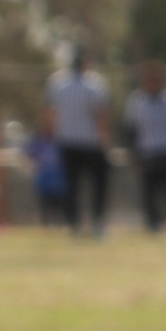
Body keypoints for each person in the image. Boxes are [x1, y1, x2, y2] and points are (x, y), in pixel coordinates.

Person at [45, 47, 111, 235]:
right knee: (98, 183)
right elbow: (101, 114)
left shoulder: (58, 83)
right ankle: (97, 220)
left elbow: (50, 113)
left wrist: (51, 134)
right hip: (90, 142)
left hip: (67, 141)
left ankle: (74, 222)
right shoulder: (95, 83)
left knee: (71, 186)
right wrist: (104, 137)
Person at [124, 60, 166, 233]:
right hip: (147, 153)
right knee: (149, 195)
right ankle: (153, 225)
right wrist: (134, 154)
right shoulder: (136, 101)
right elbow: (131, 130)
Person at [26, 124, 68, 228]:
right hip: (44, 177)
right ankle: (45, 224)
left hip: (58, 178)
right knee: (44, 202)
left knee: (58, 203)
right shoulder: (39, 142)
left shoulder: (61, 142)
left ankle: (59, 223)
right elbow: (30, 153)